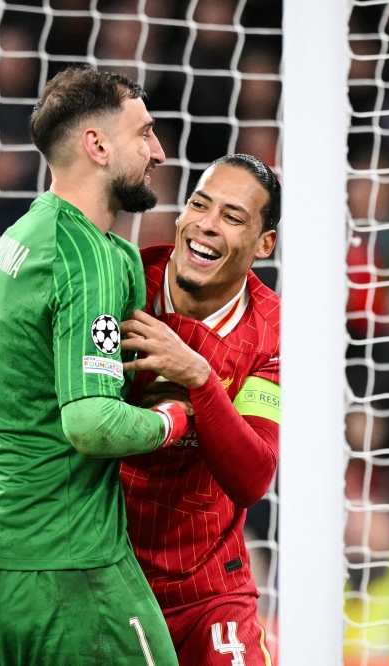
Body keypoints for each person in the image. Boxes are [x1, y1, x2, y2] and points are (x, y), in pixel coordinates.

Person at [0, 66, 185, 666]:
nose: (158, 151)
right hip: (65, 565)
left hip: (2, 555)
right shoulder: (81, 257)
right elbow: (90, 422)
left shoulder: (27, 234)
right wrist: (176, 419)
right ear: (97, 144)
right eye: (144, 133)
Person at [118, 154, 281, 665]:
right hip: (107, 574)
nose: (206, 225)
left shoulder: (271, 332)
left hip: (208, 589)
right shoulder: (125, 286)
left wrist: (199, 378)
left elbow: (253, 475)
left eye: (233, 217)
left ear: (263, 244)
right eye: (199, 204)